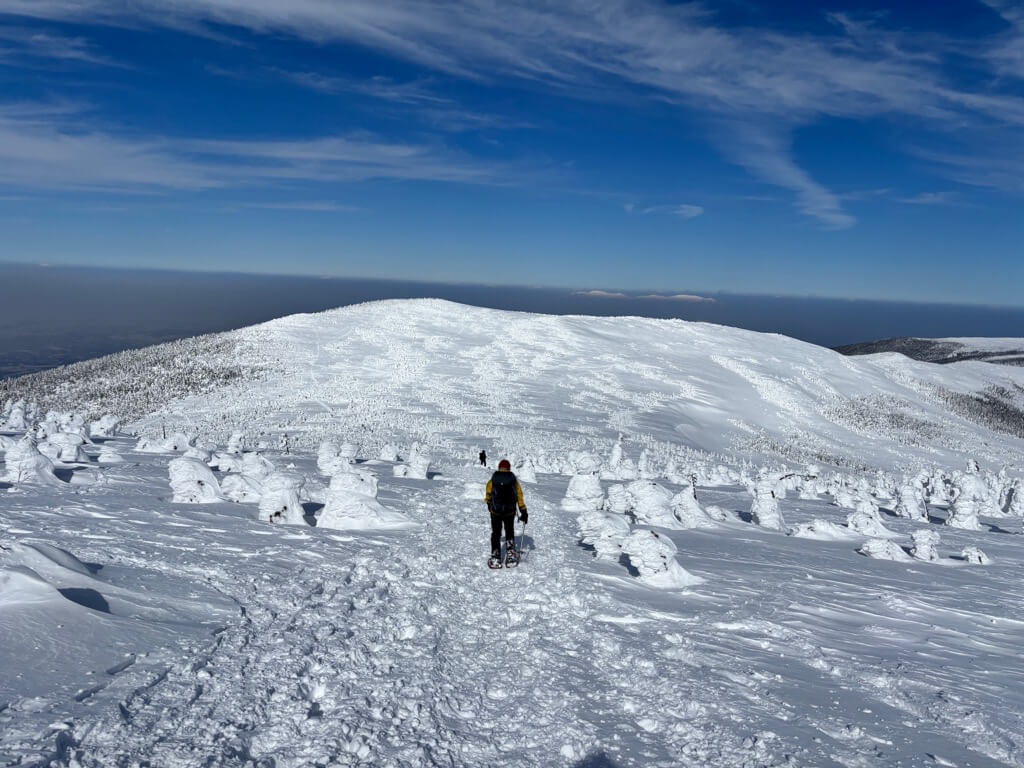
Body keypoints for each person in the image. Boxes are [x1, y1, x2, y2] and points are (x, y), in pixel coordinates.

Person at [484, 458, 528, 561]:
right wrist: (523, 510)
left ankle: (495, 556)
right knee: (509, 531)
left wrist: (489, 505)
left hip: (496, 512)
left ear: (499, 468)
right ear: (509, 468)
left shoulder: (493, 480)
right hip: (510, 512)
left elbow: (488, 494)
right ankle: (510, 554)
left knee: (496, 533)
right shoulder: (513, 480)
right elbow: (519, 496)